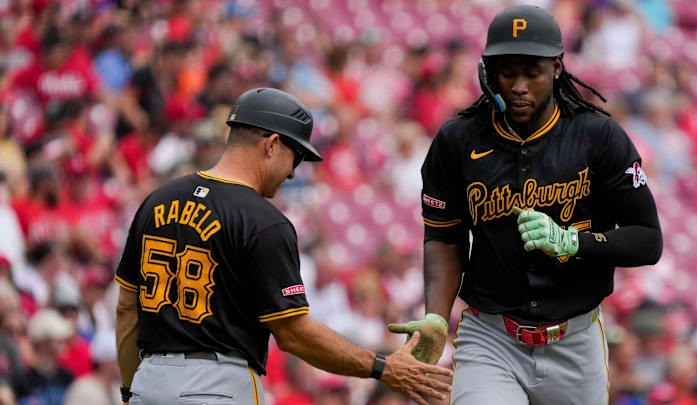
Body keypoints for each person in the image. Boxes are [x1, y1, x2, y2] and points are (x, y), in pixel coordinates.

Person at [388, 5, 662, 405]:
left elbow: (648, 240)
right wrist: (435, 315)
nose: (518, 86)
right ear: (488, 72)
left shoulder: (598, 136)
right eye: (507, 72)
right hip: (492, 338)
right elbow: (444, 237)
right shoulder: (457, 140)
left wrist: (574, 243)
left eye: (531, 72)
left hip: (576, 340)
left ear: (556, 68)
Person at [114, 88, 452, 405]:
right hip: (216, 386)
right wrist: (382, 367)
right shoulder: (264, 221)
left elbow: (127, 310)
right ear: (272, 144)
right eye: (297, 155)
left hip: (150, 381)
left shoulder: (157, 200)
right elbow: (293, 334)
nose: (292, 173)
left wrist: (132, 390)